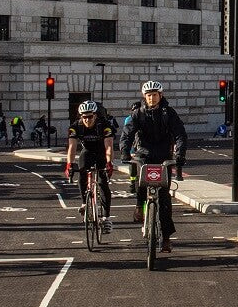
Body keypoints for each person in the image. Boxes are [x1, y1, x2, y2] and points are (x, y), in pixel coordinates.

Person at [120, 81, 186, 253]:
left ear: (160, 96)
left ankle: (166, 238)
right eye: (148, 95)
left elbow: (180, 134)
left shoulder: (169, 113)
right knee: (141, 184)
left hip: (163, 157)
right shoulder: (138, 114)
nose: (151, 98)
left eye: (155, 94)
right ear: (144, 96)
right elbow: (127, 134)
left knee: (164, 199)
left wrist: (180, 155)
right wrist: (125, 152)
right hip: (144, 154)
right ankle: (139, 206)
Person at [65, 101, 115, 233]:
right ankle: (84, 202)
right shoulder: (76, 127)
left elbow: (109, 145)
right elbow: (72, 147)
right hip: (87, 151)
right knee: (81, 172)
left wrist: (109, 163)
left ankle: (106, 217)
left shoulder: (104, 125)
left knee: (102, 183)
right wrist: (69, 164)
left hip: (101, 152)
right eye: (84, 117)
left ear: (95, 115)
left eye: (90, 116)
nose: (87, 119)